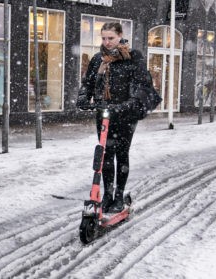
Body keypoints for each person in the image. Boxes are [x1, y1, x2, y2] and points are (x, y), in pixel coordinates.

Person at [76, 22, 148, 213]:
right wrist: (84, 98)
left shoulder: (132, 57)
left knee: (121, 154)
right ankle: (107, 195)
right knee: (105, 156)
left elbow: (140, 84)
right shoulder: (98, 59)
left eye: (111, 38)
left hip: (125, 114)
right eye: (104, 38)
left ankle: (119, 196)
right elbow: (88, 83)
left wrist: (128, 104)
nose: (107, 42)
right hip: (104, 113)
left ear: (120, 36)